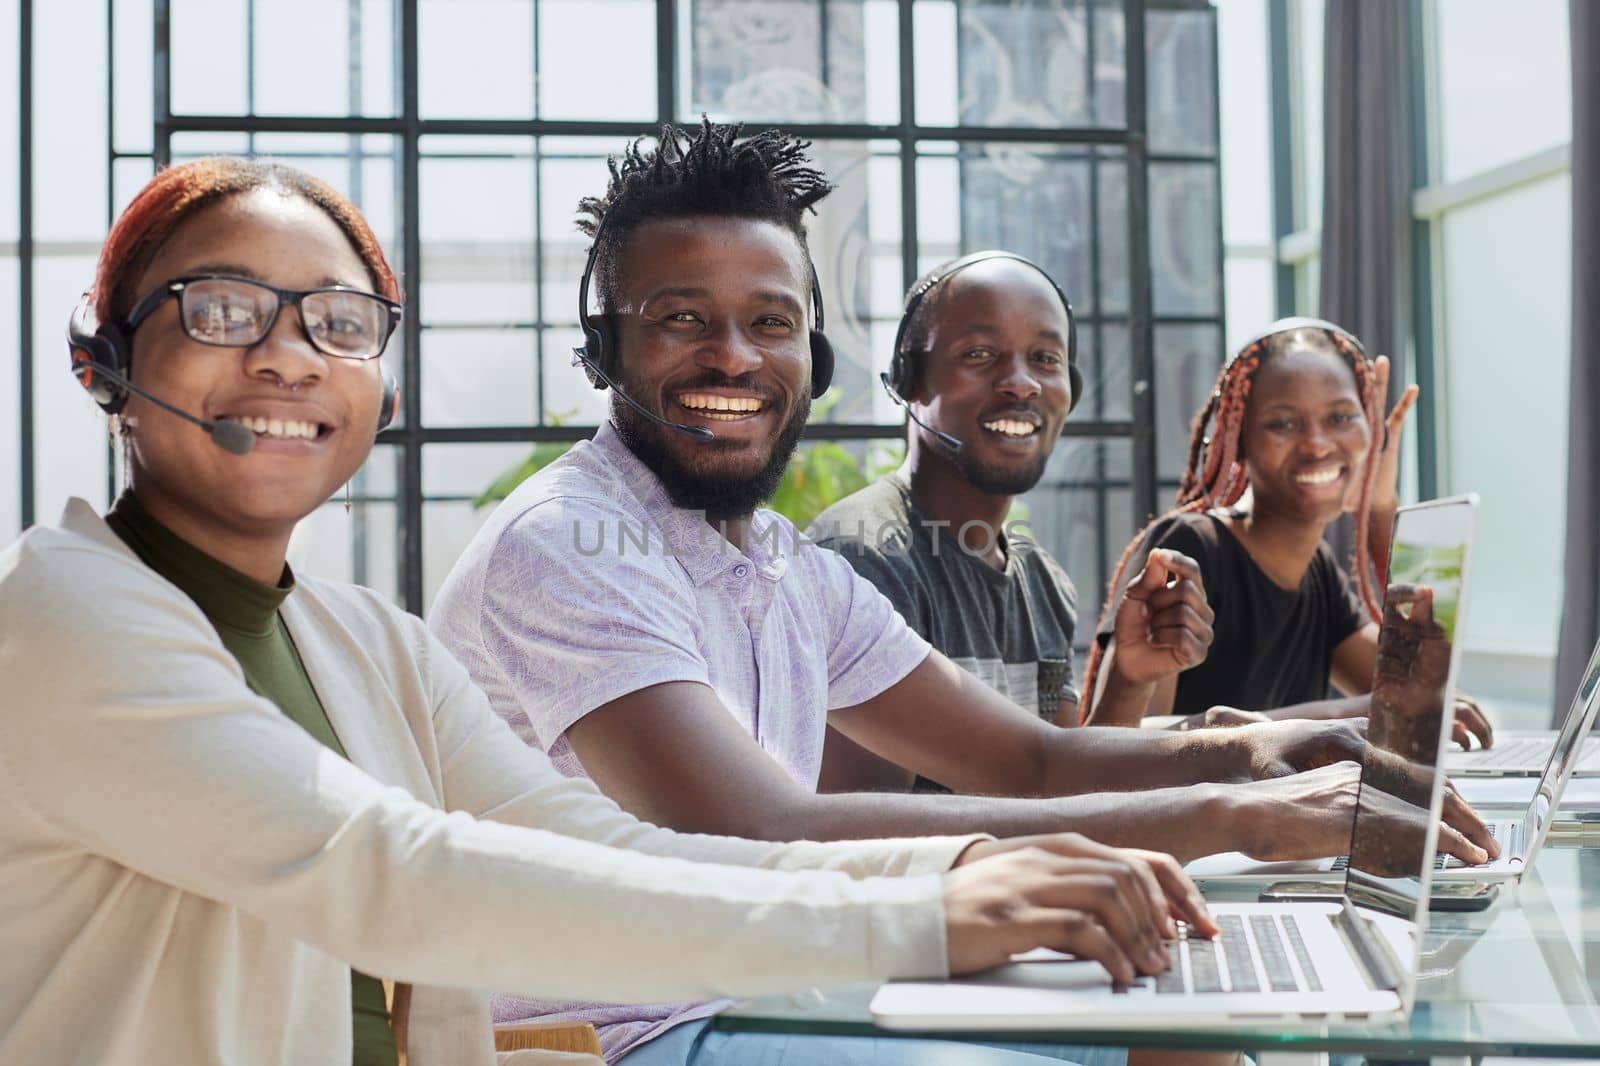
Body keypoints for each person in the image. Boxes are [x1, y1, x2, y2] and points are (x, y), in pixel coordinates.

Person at [0, 156, 1224, 1066]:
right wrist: (925, 906)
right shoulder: (63, 611)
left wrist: (961, 859)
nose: (284, 356)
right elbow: (399, 874)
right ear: (105, 360)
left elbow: (610, 848)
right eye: (221, 310)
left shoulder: (358, 636)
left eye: (338, 322)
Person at [429, 122, 1497, 1056]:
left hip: (775, 989)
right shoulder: (573, 543)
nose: (733, 356)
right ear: (602, 346)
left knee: (1197, 1020)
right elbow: (757, 832)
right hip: (629, 1035)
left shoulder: (782, 565)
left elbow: (1029, 754)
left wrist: (1260, 750)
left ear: (813, 351)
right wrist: (1242, 815)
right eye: (679, 319)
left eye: (767, 321)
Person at [807, 251, 1215, 793]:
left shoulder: (1041, 581)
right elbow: (873, 843)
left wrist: (1128, 680)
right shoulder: (862, 558)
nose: (1021, 384)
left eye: (1045, 358)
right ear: (908, 381)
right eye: (979, 354)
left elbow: (1069, 795)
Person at [1080, 319, 1494, 752]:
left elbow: (1418, 686)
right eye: (1283, 424)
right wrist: (1347, 715)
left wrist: (1379, 506)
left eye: (1340, 417)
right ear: (1238, 439)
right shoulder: (1191, 547)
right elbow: (1135, 748)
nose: (1317, 444)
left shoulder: (1318, 573)